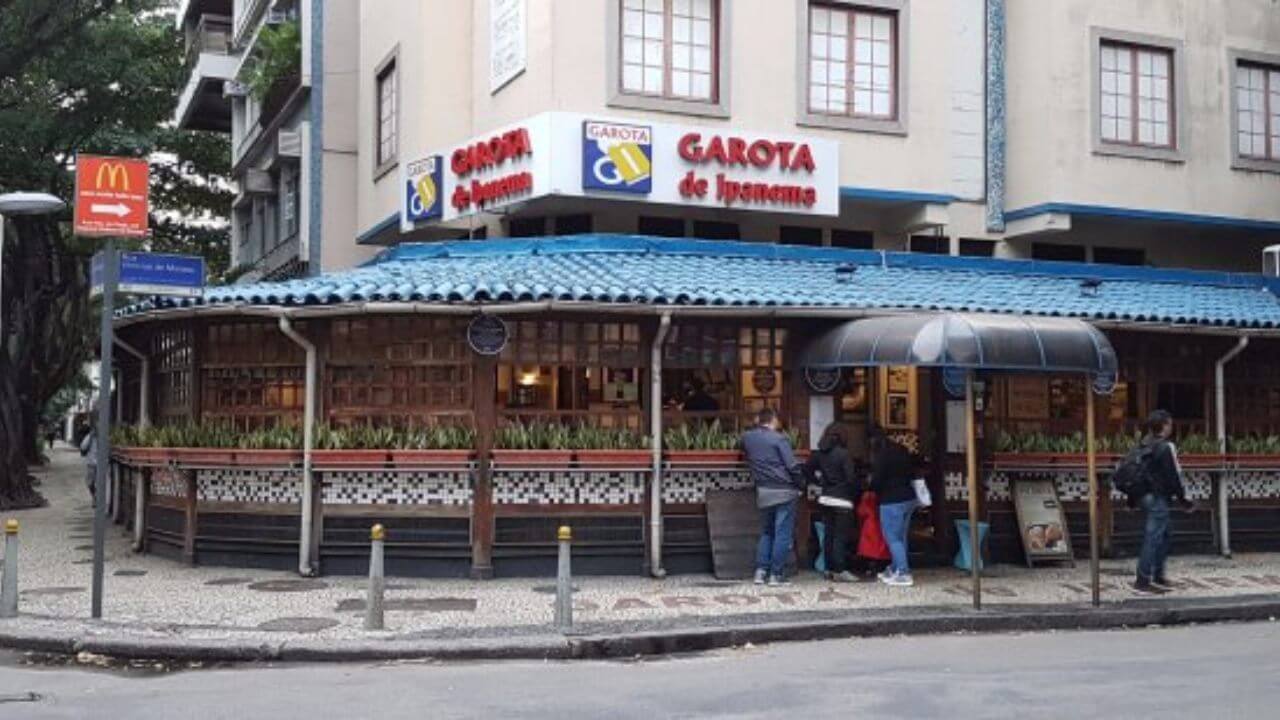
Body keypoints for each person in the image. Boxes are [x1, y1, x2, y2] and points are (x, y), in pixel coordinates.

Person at [741, 407, 803, 586]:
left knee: (767, 531)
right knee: (782, 534)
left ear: (758, 420)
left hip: (763, 490)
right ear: (773, 420)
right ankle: (776, 575)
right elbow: (791, 466)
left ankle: (760, 572)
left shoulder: (747, 438)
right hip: (784, 490)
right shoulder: (779, 439)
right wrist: (801, 484)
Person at [1134, 409, 1193, 595]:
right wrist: (1183, 499)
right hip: (1158, 496)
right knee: (1154, 537)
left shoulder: (1143, 444)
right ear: (1165, 426)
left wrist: (1131, 500)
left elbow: (1136, 473)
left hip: (1145, 496)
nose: (1171, 427)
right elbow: (1173, 476)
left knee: (1164, 535)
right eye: (1169, 424)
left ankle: (1158, 575)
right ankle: (1143, 580)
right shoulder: (1165, 447)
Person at [804, 424, 862, 582]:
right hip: (842, 500)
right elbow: (851, 478)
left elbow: (807, 469)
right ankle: (840, 569)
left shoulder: (819, 453)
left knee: (829, 535)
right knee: (840, 536)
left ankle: (828, 568)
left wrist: (819, 481)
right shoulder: (844, 454)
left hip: (825, 498)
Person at [870, 429, 917, 586]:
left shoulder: (882, 455)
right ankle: (895, 568)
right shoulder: (902, 450)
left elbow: (877, 480)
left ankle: (903, 572)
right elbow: (913, 472)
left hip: (891, 500)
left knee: (892, 537)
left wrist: (872, 488)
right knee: (901, 536)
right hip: (909, 498)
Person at [79, 423, 98, 505]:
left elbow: (83, 447)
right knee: (90, 482)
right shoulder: (90, 437)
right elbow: (83, 447)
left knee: (95, 483)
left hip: (99, 463)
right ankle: (95, 497)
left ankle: (96, 498)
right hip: (92, 463)